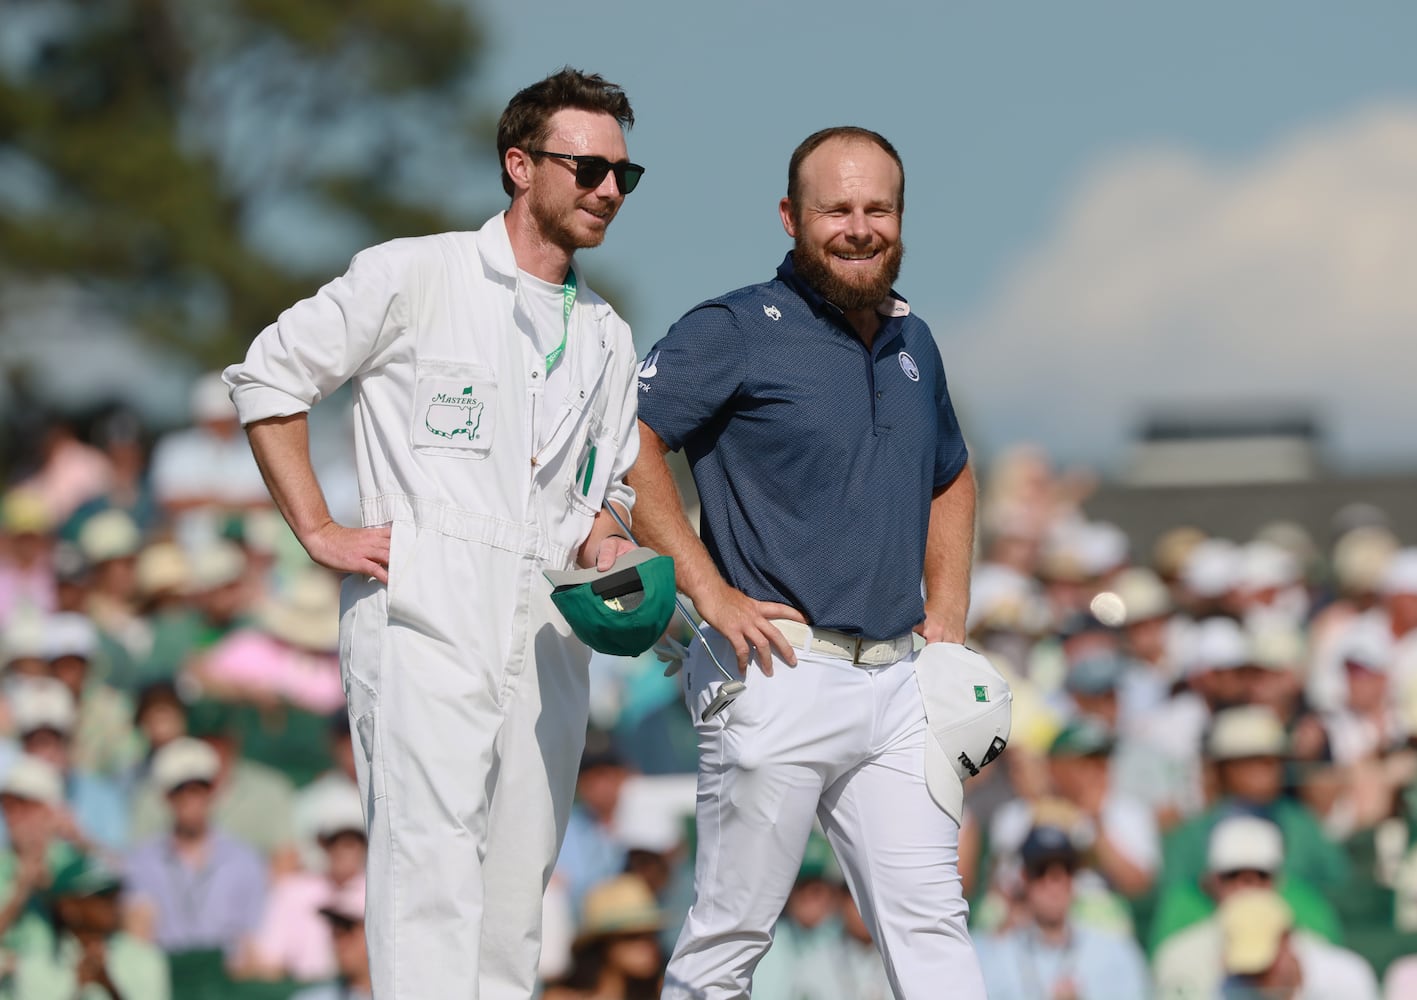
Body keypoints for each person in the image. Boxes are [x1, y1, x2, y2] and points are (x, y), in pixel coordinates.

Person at [223, 67, 645, 999]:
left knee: (515, 897)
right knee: (428, 881)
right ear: (518, 165)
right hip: (424, 600)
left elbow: (609, 487)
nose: (609, 190)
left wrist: (607, 540)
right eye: (586, 168)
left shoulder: (609, 336)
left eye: (625, 174)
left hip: (549, 624)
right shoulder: (414, 273)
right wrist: (319, 530)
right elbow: (267, 380)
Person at [630, 126, 983, 998]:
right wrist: (707, 591)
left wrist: (948, 619)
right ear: (791, 217)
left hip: (901, 682)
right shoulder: (734, 327)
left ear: (900, 219)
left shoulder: (915, 341)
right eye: (836, 209)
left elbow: (953, 474)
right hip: (774, 670)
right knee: (729, 942)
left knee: (932, 927)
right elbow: (627, 443)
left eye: (878, 209)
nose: (858, 227)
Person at [973, 825, 1151, 1000]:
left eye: (1066, 869)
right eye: (1040, 870)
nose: (1054, 884)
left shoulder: (1116, 953)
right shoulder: (992, 955)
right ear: (1025, 877)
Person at [4, 852, 170, 1000]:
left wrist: (108, 985)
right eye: (100, 896)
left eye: (115, 894)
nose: (113, 904)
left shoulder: (145, 959)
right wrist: (77, 989)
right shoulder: (36, 967)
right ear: (68, 908)